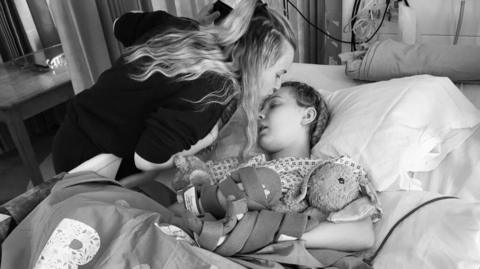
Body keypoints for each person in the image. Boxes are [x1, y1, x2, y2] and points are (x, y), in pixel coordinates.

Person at [52, 0, 297, 179]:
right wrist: (206, 139)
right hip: (90, 164)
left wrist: (191, 25)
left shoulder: (179, 27)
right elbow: (147, 159)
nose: (277, 85)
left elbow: (121, 24)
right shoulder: (216, 90)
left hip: (70, 130)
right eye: (279, 73)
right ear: (253, 61)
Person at [173, 81, 375, 251]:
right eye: (261, 108)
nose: (260, 114)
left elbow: (363, 234)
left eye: (274, 105)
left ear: (307, 116)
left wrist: (271, 236)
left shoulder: (323, 172)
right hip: (198, 232)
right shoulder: (239, 166)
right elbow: (184, 205)